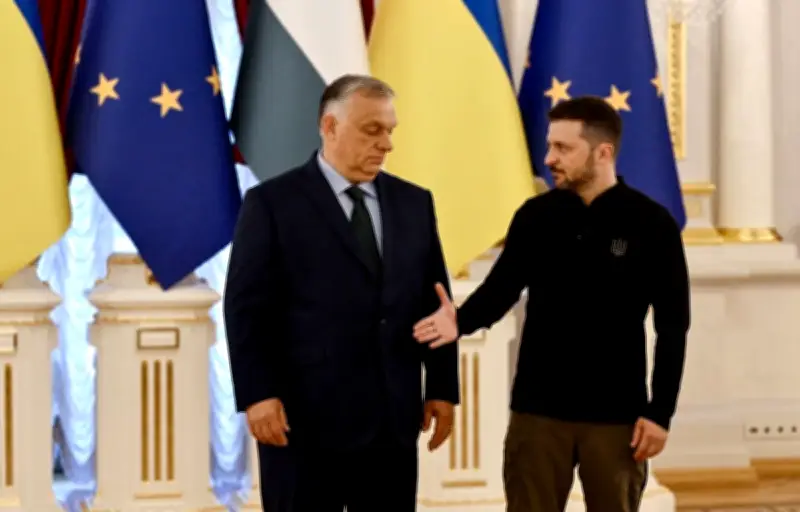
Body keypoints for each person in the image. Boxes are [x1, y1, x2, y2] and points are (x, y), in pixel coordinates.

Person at [413, 96, 691, 512]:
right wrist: (460, 322)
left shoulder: (652, 224)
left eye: (563, 148)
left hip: (618, 416)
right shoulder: (535, 216)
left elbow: (673, 326)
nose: (549, 159)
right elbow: (500, 290)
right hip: (537, 412)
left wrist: (660, 413)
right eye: (549, 146)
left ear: (603, 152)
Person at [224, 74, 459, 512]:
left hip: (392, 422)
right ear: (329, 127)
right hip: (301, 422)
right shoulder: (272, 204)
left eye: (390, 130)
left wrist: (443, 387)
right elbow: (246, 310)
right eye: (372, 130)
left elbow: (436, 304)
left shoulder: (414, 203)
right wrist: (258, 394)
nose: (386, 144)